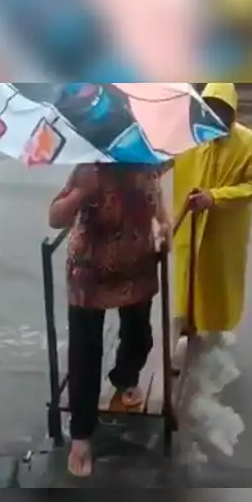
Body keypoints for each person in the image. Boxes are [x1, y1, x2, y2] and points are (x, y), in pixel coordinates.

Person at [48, 162, 171, 477]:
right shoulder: (87, 171)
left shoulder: (147, 165)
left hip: (137, 269)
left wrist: (164, 225)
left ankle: (125, 377)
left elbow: (157, 201)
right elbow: (55, 217)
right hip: (89, 274)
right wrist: (80, 196)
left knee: (140, 336)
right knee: (85, 355)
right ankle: (81, 436)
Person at [172, 82, 252, 343]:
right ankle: (188, 324)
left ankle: (216, 330)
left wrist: (215, 197)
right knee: (189, 278)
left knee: (219, 284)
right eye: (209, 109)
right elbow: (165, 158)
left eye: (221, 110)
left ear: (232, 111)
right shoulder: (191, 136)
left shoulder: (248, 142)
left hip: (224, 230)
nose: (214, 116)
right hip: (189, 224)